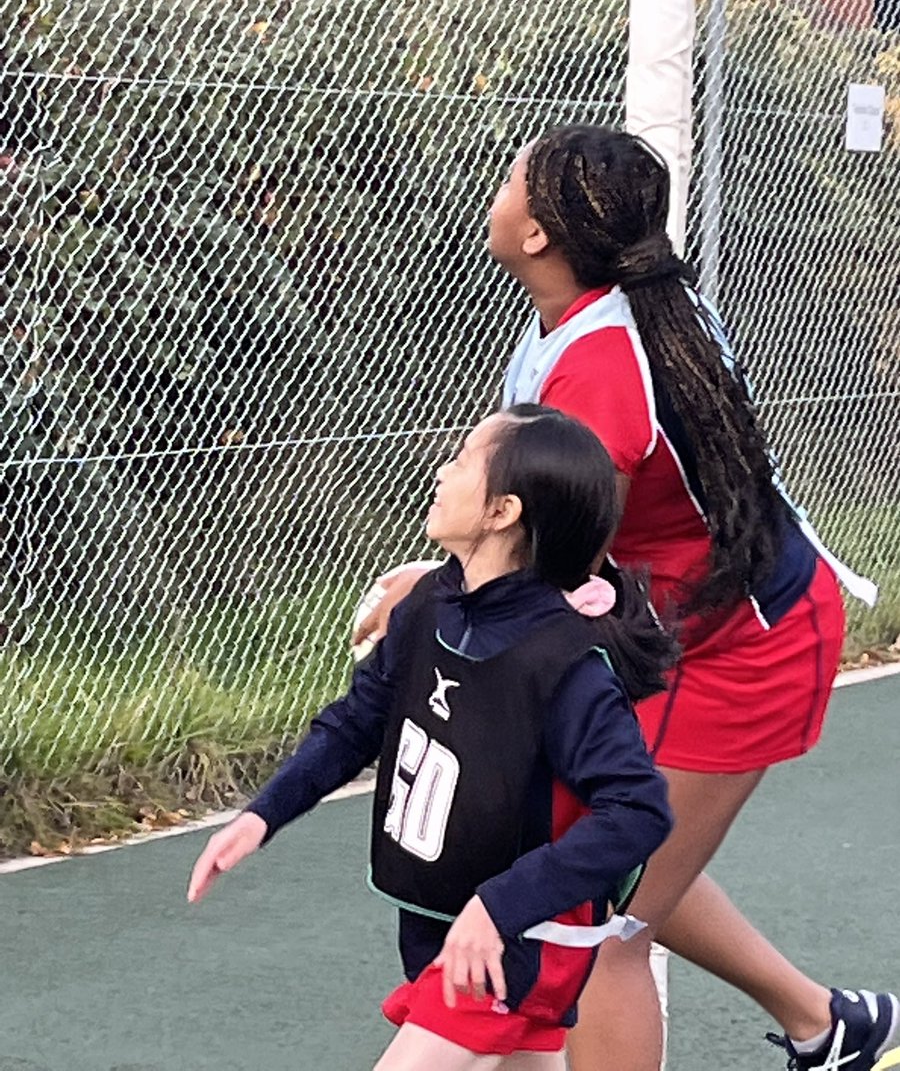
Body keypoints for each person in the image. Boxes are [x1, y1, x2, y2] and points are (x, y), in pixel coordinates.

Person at [357, 125, 898, 1071]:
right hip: (672, 626)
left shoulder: (605, 366)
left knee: (602, 930)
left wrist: (431, 591)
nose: (499, 187)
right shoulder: (598, 312)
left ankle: (829, 1027)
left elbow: (544, 546)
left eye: (512, 176)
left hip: (742, 650)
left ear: (540, 235)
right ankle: (830, 1026)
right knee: (605, 861)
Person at [187, 404, 677, 1069]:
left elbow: (638, 810)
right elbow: (358, 721)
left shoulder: (563, 666)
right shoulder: (430, 608)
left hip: (522, 939)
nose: (442, 473)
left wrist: (500, 906)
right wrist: (264, 815)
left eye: (462, 460)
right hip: (449, 928)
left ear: (503, 511)